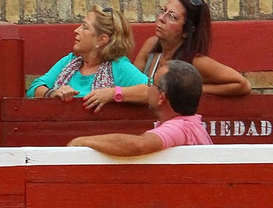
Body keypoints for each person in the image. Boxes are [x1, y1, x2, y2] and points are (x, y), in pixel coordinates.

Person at [67, 60, 213, 153]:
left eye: (152, 83)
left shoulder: (180, 128)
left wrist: (81, 141)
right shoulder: (190, 125)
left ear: (161, 97)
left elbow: (140, 145)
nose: (148, 87)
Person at [28, 5, 150, 98]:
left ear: (102, 40)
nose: (76, 30)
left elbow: (151, 91)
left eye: (85, 27)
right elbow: (33, 88)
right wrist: (52, 93)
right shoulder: (68, 61)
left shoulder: (118, 66)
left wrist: (113, 93)